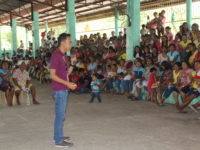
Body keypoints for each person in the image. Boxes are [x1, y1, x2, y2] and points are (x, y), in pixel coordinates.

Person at [50, 33, 76, 148]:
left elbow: (65, 74)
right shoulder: (56, 55)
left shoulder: (64, 56)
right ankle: (58, 141)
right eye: (69, 41)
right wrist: (67, 84)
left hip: (63, 89)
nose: (71, 44)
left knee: (61, 115)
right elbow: (52, 75)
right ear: (63, 42)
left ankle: (58, 135)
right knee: (60, 115)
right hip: (59, 89)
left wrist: (73, 64)